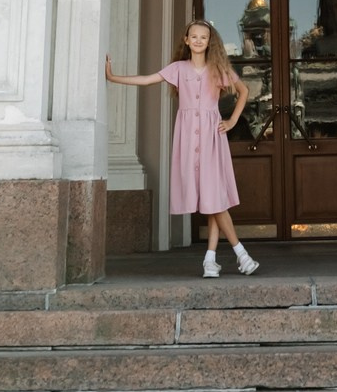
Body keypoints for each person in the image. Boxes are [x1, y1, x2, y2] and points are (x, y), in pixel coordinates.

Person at [105, 20, 260, 278]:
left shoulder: (218, 69)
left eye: (204, 37)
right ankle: (214, 260)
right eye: (194, 36)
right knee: (213, 200)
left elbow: (243, 91)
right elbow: (147, 80)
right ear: (186, 41)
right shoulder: (178, 69)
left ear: (209, 42)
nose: (199, 40)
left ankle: (238, 255)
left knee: (214, 199)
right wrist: (113, 77)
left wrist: (232, 120)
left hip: (212, 138)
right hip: (188, 138)